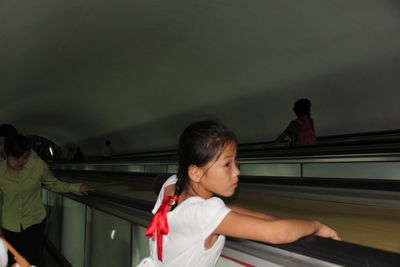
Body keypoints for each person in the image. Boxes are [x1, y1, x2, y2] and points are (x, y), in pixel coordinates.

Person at [138, 120, 339, 267]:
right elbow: (278, 233)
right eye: (227, 164)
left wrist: (271, 219)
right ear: (195, 172)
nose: (236, 171)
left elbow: (228, 210)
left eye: (236, 161)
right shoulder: (204, 213)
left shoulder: (173, 185)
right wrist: (316, 226)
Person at [0, 134, 94, 266]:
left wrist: (76, 188)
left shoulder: (37, 165)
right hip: (9, 223)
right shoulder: (0, 172)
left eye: (25, 158)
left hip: (34, 220)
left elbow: (53, 183)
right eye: (16, 158)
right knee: (12, 258)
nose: (21, 162)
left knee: (34, 257)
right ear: (6, 154)